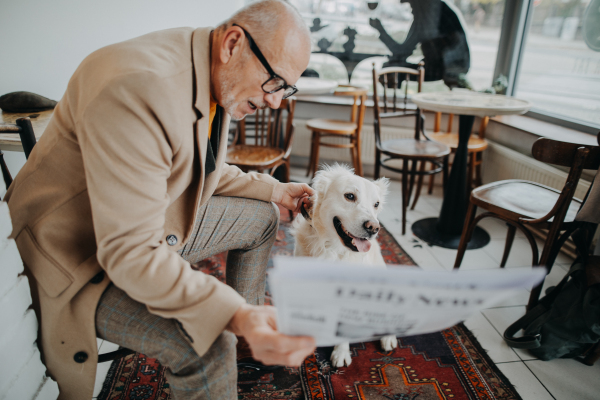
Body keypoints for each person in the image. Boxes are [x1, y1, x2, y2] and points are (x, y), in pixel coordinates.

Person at [4, 1, 316, 399]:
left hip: (143, 222)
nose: (276, 101)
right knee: (208, 344)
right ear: (234, 43)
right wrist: (232, 314)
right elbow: (130, 252)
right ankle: (240, 334)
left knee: (262, 217)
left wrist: (273, 189)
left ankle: (252, 340)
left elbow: (195, 166)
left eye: (286, 89)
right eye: (274, 82)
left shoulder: (206, 65)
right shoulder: (139, 87)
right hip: (74, 259)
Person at [369, 0, 470, 87]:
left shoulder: (429, 11)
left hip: (448, 68)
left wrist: (381, 30)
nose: (410, 7)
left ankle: (391, 102)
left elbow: (403, 51)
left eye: (411, 3)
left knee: (390, 71)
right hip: (443, 65)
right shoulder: (429, 11)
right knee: (389, 69)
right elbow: (403, 51)